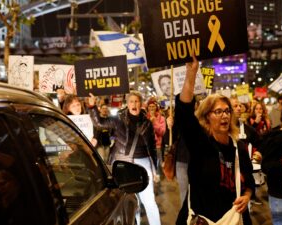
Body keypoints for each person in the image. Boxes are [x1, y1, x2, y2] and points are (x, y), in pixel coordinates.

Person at [175, 56, 255, 225]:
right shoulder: (200, 144)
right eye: (218, 112)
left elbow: (249, 183)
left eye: (227, 111)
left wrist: (247, 196)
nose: (224, 115)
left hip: (233, 220)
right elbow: (183, 113)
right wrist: (191, 73)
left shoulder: (239, 148)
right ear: (206, 117)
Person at [88, 91, 161, 225]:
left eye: (137, 101)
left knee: (149, 200)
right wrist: (92, 107)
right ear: (127, 104)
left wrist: (155, 169)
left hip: (142, 163)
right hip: (122, 163)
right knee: (130, 200)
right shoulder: (118, 119)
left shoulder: (147, 123)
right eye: (131, 101)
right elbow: (99, 123)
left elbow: (152, 148)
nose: (134, 104)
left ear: (141, 103)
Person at [146, 98, 166, 178]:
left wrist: (154, 122)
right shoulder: (144, 117)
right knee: (148, 163)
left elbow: (162, 131)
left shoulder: (161, 118)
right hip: (146, 145)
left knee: (158, 164)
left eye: (153, 106)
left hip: (157, 145)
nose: (151, 108)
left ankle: (158, 180)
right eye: (150, 106)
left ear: (156, 107)